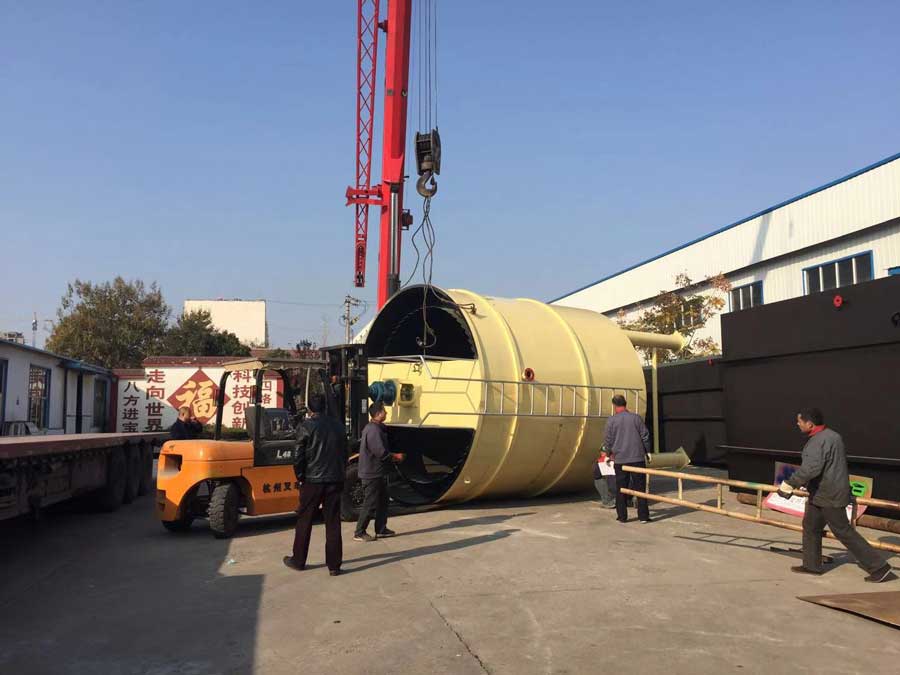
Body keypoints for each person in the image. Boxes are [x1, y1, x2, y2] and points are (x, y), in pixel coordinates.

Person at [778, 408, 893, 583]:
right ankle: (812, 565)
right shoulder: (833, 436)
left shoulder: (818, 441)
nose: (797, 424)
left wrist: (789, 483)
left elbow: (811, 469)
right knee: (811, 526)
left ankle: (879, 567)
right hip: (821, 493)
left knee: (843, 531)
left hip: (829, 494)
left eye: (799, 421)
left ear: (810, 424)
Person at [283, 394, 348, 576]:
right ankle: (334, 565)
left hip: (312, 480)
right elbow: (345, 452)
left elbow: (298, 456)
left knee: (305, 520)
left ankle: (298, 560)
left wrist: (300, 476)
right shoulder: (338, 426)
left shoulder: (306, 426)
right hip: (334, 479)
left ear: (310, 409)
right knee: (333, 522)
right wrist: (340, 473)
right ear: (325, 406)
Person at [354, 402, 405, 541]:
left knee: (383, 501)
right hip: (372, 473)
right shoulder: (373, 430)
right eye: (384, 411)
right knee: (370, 503)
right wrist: (396, 456)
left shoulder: (377, 428)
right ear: (378, 414)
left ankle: (381, 529)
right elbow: (381, 452)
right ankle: (359, 531)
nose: (386, 413)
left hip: (379, 472)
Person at [604, 395, 652, 523]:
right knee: (640, 488)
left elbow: (608, 440)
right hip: (637, 458)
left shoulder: (611, 420)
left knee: (621, 488)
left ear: (614, 406)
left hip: (620, 459)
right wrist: (647, 451)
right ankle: (643, 516)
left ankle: (622, 516)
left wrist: (608, 454)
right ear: (625, 404)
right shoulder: (636, 418)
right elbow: (645, 436)